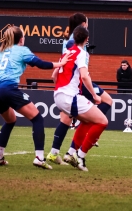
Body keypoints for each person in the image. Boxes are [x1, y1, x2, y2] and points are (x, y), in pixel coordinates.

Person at [0, 25, 71, 169]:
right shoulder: (22, 50)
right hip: (8, 89)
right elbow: (40, 64)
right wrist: (60, 64)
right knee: (37, 118)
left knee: (10, 121)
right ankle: (39, 158)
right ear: (21, 39)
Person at [47, 12, 113, 165]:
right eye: (87, 22)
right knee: (106, 102)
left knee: (65, 119)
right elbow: (78, 68)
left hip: (66, 86)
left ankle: (54, 153)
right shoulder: (74, 44)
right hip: (77, 84)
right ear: (83, 25)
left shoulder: (71, 41)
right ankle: (76, 148)